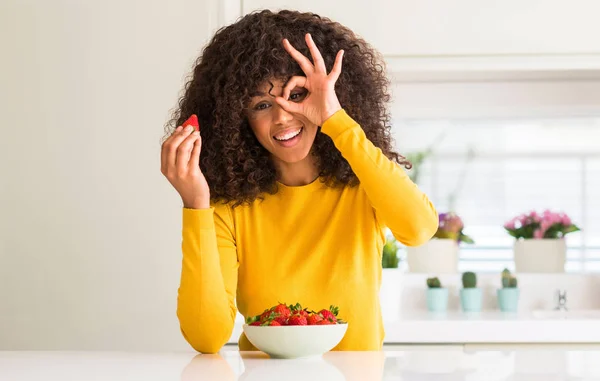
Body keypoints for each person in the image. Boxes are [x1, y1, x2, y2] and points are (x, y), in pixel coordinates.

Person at [160, 9, 438, 354]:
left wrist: (335, 120)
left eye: (295, 96)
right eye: (261, 104)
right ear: (238, 118)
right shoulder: (227, 208)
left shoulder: (363, 183)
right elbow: (207, 336)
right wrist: (196, 206)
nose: (282, 117)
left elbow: (419, 228)